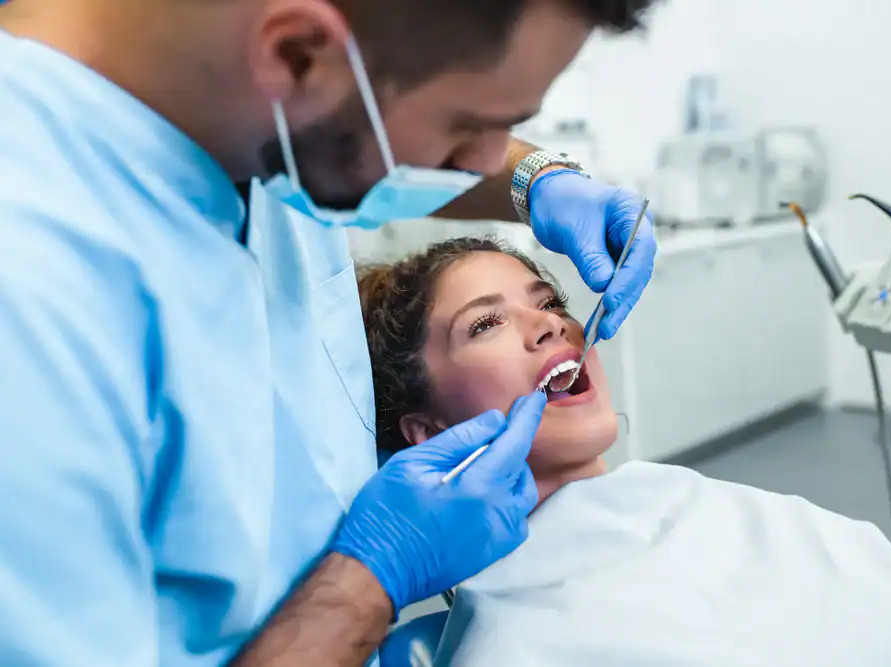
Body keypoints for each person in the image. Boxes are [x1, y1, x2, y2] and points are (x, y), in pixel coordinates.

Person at [0, 1, 661, 666]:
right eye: (467, 126)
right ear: (295, 56)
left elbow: (384, 134)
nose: (485, 160)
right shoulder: (34, 303)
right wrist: (373, 576)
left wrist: (536, 179)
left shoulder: (240, 114)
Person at [357, 237, 891, 666]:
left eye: (549, 301)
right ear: (427, 432)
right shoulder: (517, 642)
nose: (551, 324)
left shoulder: (721, 510)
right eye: (486, 323)